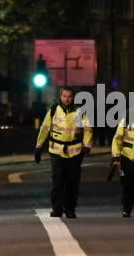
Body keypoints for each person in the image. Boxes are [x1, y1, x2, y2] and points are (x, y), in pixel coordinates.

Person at [35, 86, 93, 218]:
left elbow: (88, 129)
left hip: (75, 151)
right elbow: (45, 128)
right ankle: (57, 209)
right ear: (60, 96)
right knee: (57, 181)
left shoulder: (80, 112)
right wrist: (39, 146)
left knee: (72, 182)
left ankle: (70, 209)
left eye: (69, 96)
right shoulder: (54, 110)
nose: (67, 99)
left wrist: (87, 145)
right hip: (57, 150)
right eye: (64, 96)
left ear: (73, 97)